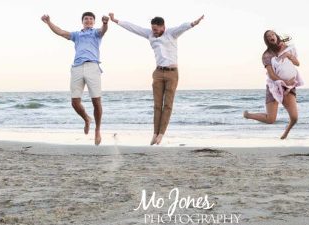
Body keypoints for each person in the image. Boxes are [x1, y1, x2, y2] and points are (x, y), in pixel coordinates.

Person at [108, 12, 204, 145]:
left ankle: (161, 134)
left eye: (156, 29)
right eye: (152, 29)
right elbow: (133, 28)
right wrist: (116, 21)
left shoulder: (171, 33)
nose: (154, 32)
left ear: (163, 27)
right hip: (158, 73)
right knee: (157, 105)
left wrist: (193, 24)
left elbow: (183, 27)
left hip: (172, 73)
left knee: (168, 105)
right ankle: (155, 133)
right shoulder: (149, 34)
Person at [41, 12, 108, 145]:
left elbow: (103, 30)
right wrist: (49, 22)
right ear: (82, 21)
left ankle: (97, 130)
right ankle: (87, 119)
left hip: (92, 66)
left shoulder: (95, 33)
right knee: (75, 102)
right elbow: (60, 32)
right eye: (86, 19)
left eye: (90, 19)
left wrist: (105, 23)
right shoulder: (77, 35)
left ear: (93, 22)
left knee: (96, 101)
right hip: (77, 67)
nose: (88, 20)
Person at [243, 30, 303, 139]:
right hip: (274, 86)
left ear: (276, 36)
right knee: (271, 120)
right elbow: (271, 75)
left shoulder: (286, 48)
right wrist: (285, 82)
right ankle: (248, 115)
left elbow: (297, 63)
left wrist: (289, 55)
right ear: (267, 41)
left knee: (294, 118)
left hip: (289, 87)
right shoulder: (267, 55)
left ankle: (285, 133)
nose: (271, 36)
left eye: (272, 34)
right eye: (268, 36)